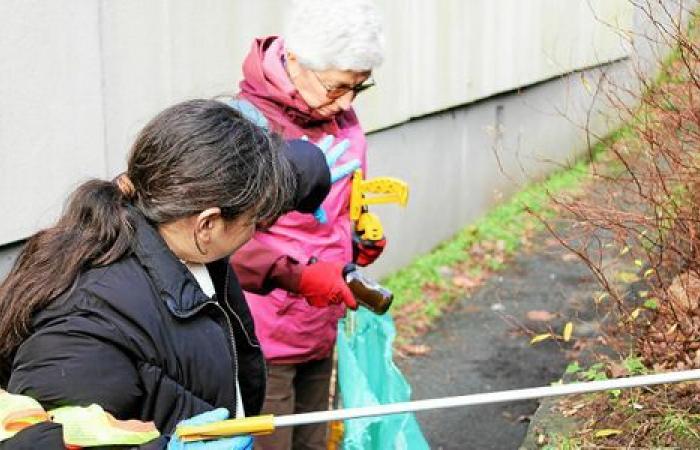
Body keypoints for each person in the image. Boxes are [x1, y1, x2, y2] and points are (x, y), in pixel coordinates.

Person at [0, 99, 338, 449]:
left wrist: (310, 173)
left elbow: (285, 176)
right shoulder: (87, 327)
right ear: (207, 223)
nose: (255, 232)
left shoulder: (177, 231)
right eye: (254, 220)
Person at [228, 1, 386, 448]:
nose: (348, 102)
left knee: (314, 440)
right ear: (295, 60)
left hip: (322, 314)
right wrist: (298, 273)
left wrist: (357, 242)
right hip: (266, 331)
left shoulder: (337, 113)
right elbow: (221, 241)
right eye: (338, 87)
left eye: (360, 87)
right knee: (272, 440)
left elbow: (340, 209)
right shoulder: (245, 126)